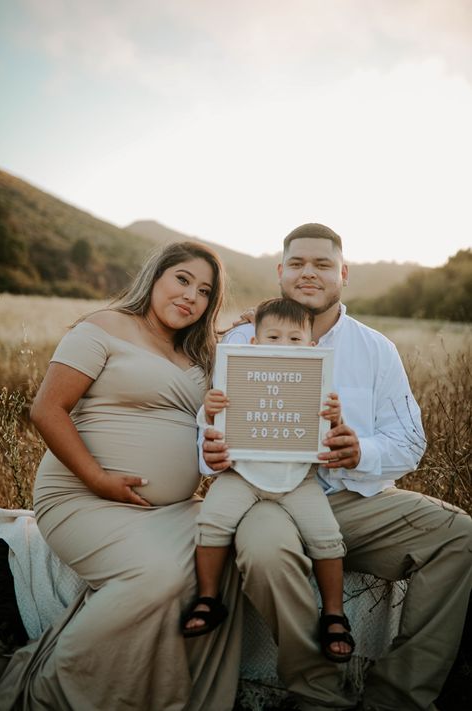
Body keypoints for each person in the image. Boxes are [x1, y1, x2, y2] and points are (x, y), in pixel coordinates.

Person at [202, 223, 472, 711]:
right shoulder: (240, 340)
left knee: (460, 537)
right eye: (298, 264)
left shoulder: (375, 350)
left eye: (323, 264)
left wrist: (360, 451)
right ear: (281, 272)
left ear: (343, 273)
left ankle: (398, 698)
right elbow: (206, 422)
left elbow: (411, 443)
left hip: (355, 499)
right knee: (264, 552)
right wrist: (211, 449)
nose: (310, 273)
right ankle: (318, 695)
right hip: (267, 497)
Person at [0, 241, 242, 711]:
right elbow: (47, 410)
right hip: (83, 497)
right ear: (155, 277)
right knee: (156, 577)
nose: (192, 296)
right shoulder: (105, 327)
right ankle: (56, 685)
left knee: (223, 551)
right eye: (183, 280)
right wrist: (97, 479)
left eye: (206, 291)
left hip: (168, 511)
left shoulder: (200, 355)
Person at [184, 297, 355, 663]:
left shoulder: (319, 381)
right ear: (255, 344)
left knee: (327, 538)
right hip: (242, 473)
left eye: (295, 340)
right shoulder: (237, 374)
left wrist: (336, 418)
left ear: (312, 347)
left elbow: (330, 432)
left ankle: (335, 614)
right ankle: (208, 598)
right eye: (273, 337)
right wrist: (211, 411)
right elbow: (210, 427)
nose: (283, 346)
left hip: (299, 479)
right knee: (211, 522)